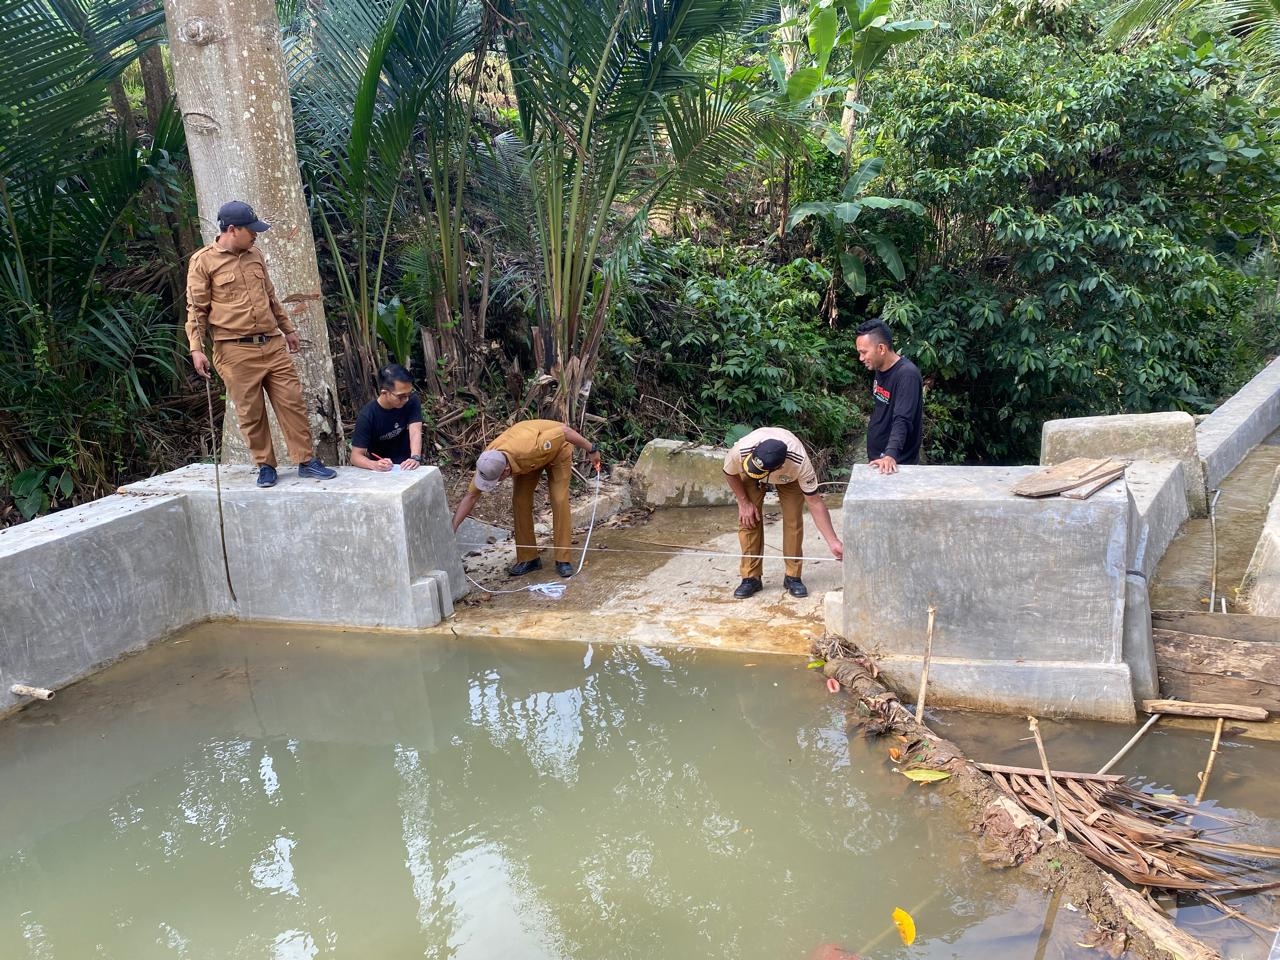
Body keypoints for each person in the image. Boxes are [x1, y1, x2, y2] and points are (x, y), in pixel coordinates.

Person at [185, 200, 338, 487]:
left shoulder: (255, 254)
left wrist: (288, 330)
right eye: (251, 230)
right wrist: (196, 348)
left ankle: (306, 460)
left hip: (272, 343)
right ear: (232, 229)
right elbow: (196, 310)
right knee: (250, 412)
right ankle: (265, 465)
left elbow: (270, 296)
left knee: (292, 401)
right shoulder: (203, 261)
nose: (256, 235)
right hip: (235, 349)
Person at [451, 420, 603, 578]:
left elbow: (565, 431)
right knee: (520, 501)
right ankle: (528, 559)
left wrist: (591, 449)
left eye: (496, 480)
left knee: (559, 499)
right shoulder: (489, 461)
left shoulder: (531, 447)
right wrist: (452, 528)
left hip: (557, 451)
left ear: (506, 471)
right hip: (528, 461)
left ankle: (563, 559)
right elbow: (471, 496)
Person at [722, 427, 844, 599]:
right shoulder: (742, 450)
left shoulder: (799, 463)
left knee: (793, 519)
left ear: (779, 466)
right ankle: (751, 577)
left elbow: (815, 502)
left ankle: (792, 577)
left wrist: (833, 542)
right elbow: (729, 472)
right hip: (751, 472)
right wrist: (743, 502)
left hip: (789, 478)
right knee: (748, 519)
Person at [855, 319, 923, 474]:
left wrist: (890, 454)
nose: (861, 358)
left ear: (881, 348)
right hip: (878, 458)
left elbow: (902, 419)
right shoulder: (880, 367)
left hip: (896, 464)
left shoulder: (907, 375)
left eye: (864, 352)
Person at [350, 364, 424, 471]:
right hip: (383, 470)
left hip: (407, 465)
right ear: (385, 393)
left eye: (408, 394)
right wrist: (374, 464)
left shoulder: (412, 400)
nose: (406, 399)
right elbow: (355, 457)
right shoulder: (367, 416)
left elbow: (415, 430)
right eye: (401, 396)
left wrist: (415, 457)